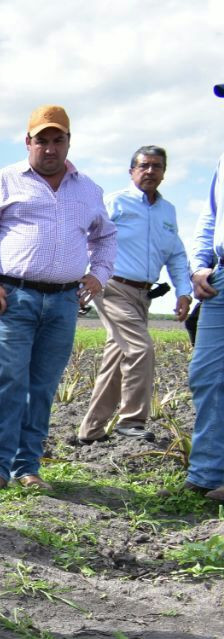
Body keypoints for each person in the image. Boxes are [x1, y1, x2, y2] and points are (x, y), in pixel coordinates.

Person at [0, 105, 116, 493]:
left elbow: (106, 237)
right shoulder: (3, 182)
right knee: (9, 383)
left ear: (69, 142)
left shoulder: (88, 189)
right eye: (41, 140)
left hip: (64, 302)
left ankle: (27, 467)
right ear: (28, 142)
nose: (50, 148)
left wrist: (98, 275)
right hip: (13, 298)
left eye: (57, 140)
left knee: (43, 387)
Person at [77, 146, 191, 444]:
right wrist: (81, 279)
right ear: (132, 171)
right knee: (141, 348)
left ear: (164, 172)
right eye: (144, 166)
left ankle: (90, 431)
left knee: (116, 359)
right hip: (111, 287)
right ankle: (132, 421)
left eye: (157, 166)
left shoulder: (168, 211)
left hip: (143, 295)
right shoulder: (115, 202)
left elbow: (176, 254)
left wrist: (184, 291)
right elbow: (86, 237)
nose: (150, 171)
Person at [187, 83, 224, 501]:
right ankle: (206, 474)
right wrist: (199, 264)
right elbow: (211, 217)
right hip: (220, 278)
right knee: (207, 373)